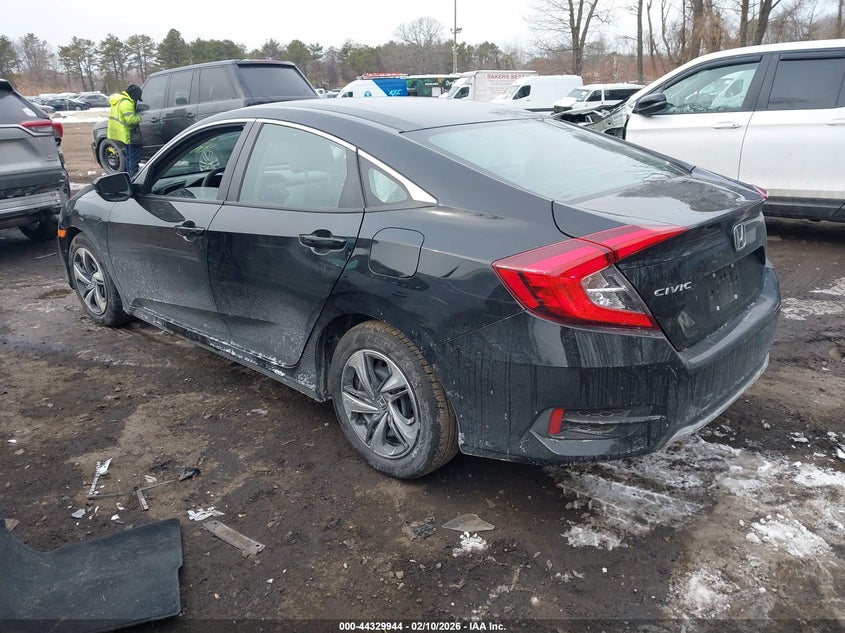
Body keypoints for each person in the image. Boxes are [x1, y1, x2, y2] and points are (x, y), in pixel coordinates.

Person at [107, 84, 143, 177]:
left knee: (128, 157)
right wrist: (139, 117)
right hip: (129, 134)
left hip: (123, 134)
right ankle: (133, 178)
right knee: (133, 159)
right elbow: (131, 121)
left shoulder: (118, 101)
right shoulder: (127, 103)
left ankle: (128, 176)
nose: (136, 100)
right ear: (134, 95)